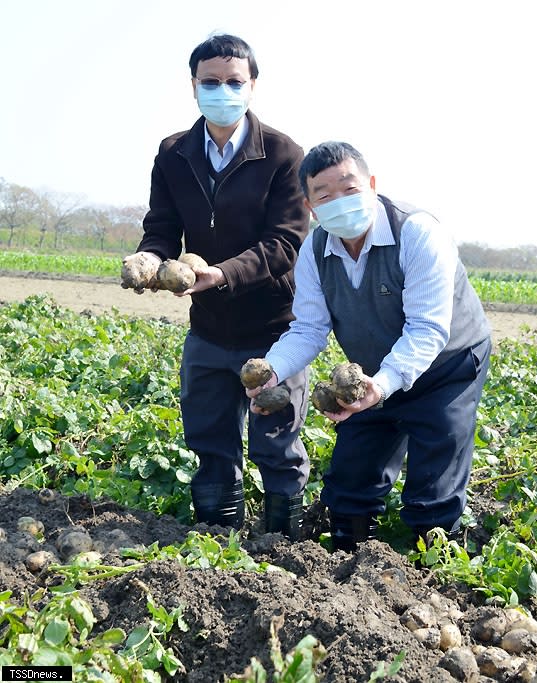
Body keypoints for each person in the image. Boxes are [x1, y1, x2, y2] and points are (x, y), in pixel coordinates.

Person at [247, 141, 492, 552]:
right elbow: (308, 329)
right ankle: (350, 561)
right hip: (374, 372)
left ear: (372, 186)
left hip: (447, 367)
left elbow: (427, 329)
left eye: (350, 188)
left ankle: (435, 571)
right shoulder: (315, 250)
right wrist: (273, 369)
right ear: (310, 207)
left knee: (433, 485)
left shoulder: (417, 233)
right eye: (324, 195)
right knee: (350, 478)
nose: (340, 201)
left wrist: (380, 387)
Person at [122, 34, 310, 539]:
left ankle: (283, 548)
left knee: (276, 444)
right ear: (193, 86)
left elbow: (285, 243)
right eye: (211, 82)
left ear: (252, 86)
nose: (222, 90)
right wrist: (150, 257)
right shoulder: (174, 153)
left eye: (233, 81)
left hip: (273, 330)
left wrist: (222, 274)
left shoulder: (284, 155)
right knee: (209, 440)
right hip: (207, 331)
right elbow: (162, 224)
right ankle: (215, 545)